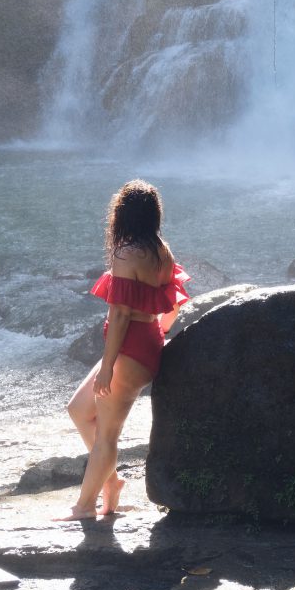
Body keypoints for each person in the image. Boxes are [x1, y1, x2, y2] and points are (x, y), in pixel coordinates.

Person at [55, 179, 190, 520]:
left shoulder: (126, 253)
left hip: (128, 349)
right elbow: (173, 301)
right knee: (79, 410)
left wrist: (108, 365)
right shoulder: (162, 250)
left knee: (107, 434)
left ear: (122, 215)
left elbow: (119, 314)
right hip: (144, 343)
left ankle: (86, 506)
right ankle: (111, 484)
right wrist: (160, 334)